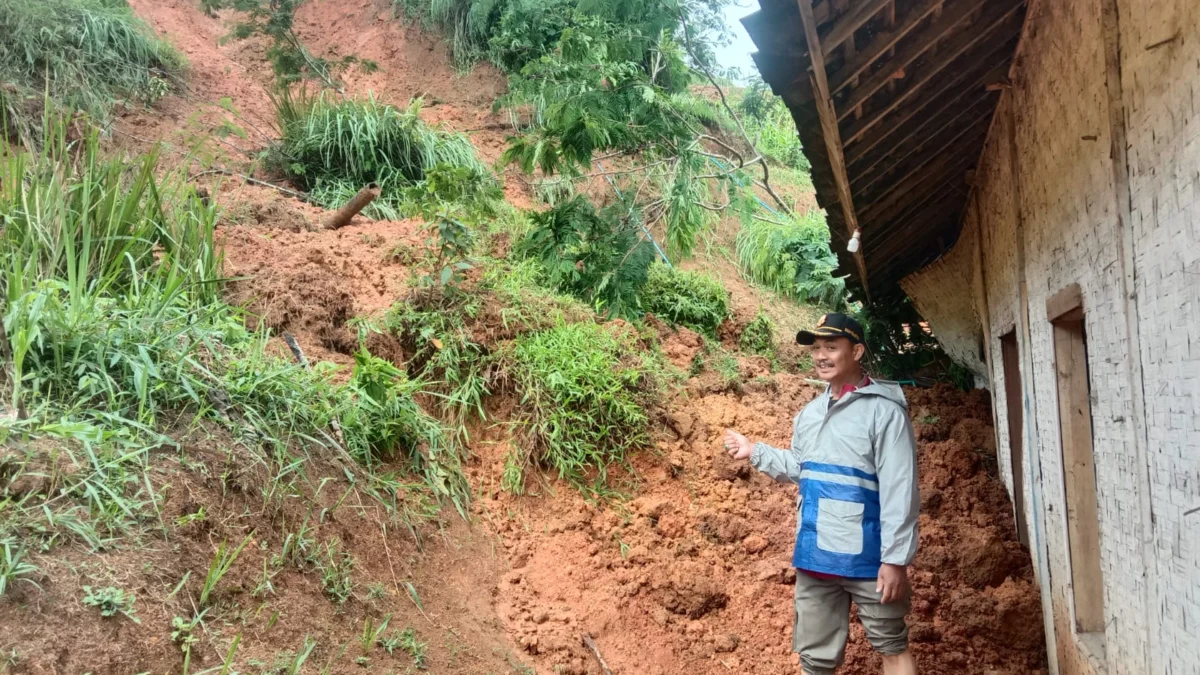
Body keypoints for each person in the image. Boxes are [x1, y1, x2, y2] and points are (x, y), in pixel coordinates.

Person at [724, 312, 919, 675]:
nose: (821, 356)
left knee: (891, 645)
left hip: (869, 559)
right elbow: (803, 467)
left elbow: (900, 490)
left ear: (857, 351)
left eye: (832, 346)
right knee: (814, 659)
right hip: (815, 555)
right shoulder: (809, 414)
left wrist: (894, 560)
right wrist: (755, 451)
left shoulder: (885, 412)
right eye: (816, 348)